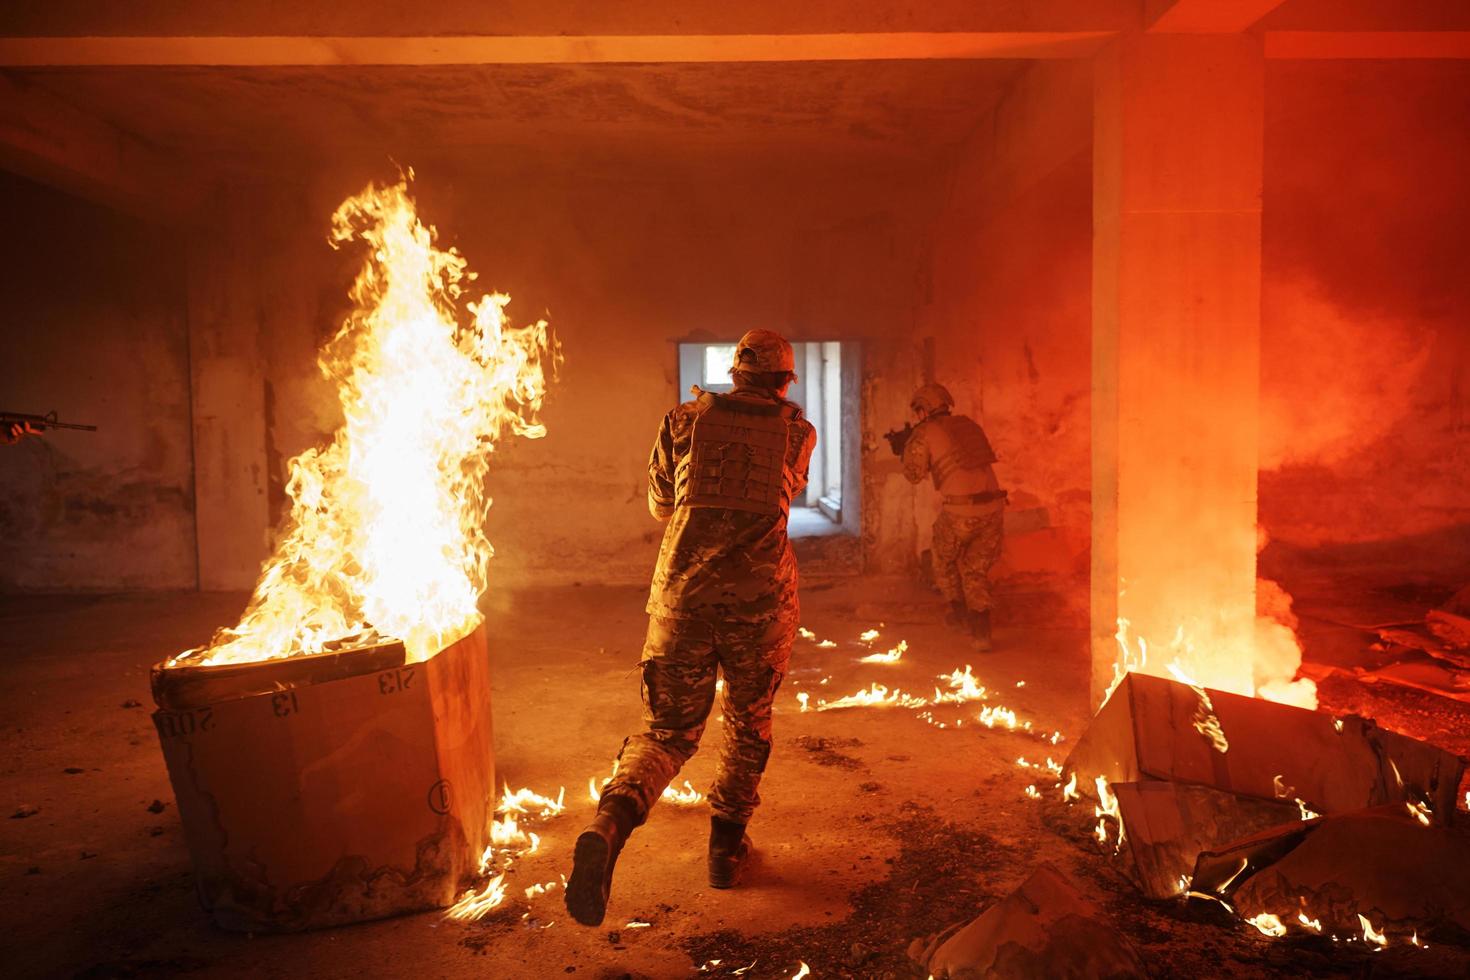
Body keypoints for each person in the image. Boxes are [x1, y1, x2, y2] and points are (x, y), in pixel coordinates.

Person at [566, 329, 816, 927]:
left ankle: (611, 822)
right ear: (784, 381)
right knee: (748, 724)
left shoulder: (682, 419)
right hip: (760, 607)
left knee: (667, 732)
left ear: (734, 372)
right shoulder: (796, 432)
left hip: (683, 599)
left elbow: (660, 503)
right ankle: (725, 852)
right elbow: (789, 496)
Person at [900, 383, 1005, 652]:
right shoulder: (967, 424)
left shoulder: (925, 431)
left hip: (960, 513)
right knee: (975, 569)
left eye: (918, 410)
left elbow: (913, 475)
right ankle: (981, 633)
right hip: (993, 509)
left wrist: (906, 447)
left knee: (942, 559)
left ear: (924, 408)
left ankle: (958, 617)